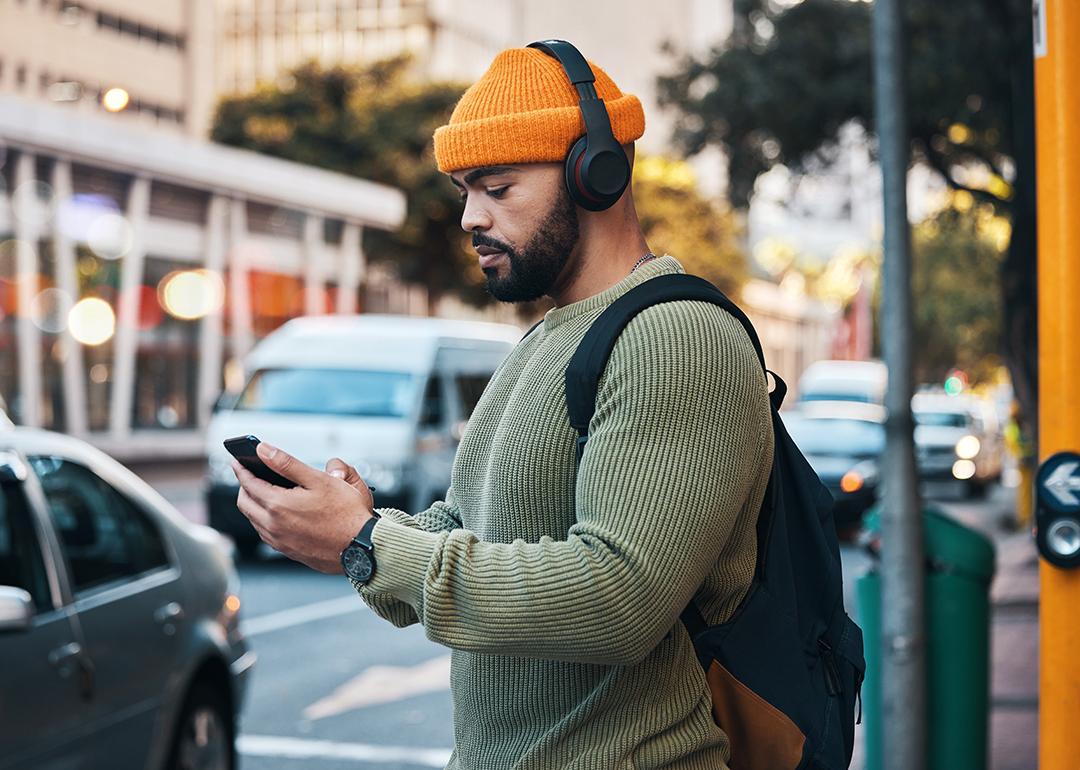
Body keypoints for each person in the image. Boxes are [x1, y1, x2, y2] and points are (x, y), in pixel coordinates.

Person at [232, 42, 773, 770]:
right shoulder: (543, 340)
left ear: (595, 173)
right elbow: (473, 529)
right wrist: (355, 528)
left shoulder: (677, 336)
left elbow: (620, 599)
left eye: (498, 187)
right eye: (464, 190)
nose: (469, 218)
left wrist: (369, 545)